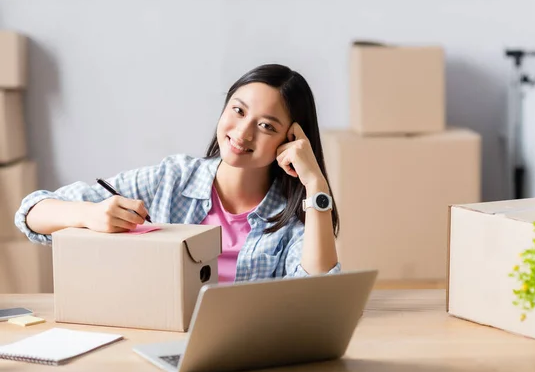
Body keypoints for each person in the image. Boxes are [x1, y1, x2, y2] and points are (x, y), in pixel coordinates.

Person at [14, 64, 341, 283]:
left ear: (291, 139)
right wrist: (90, 214)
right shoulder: (171, 179)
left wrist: (315, 183)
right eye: (238, 110)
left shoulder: (294, 214)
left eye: (266, 125)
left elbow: (319, 288)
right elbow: (31, 213)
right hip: (157, 339)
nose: (242, 132)